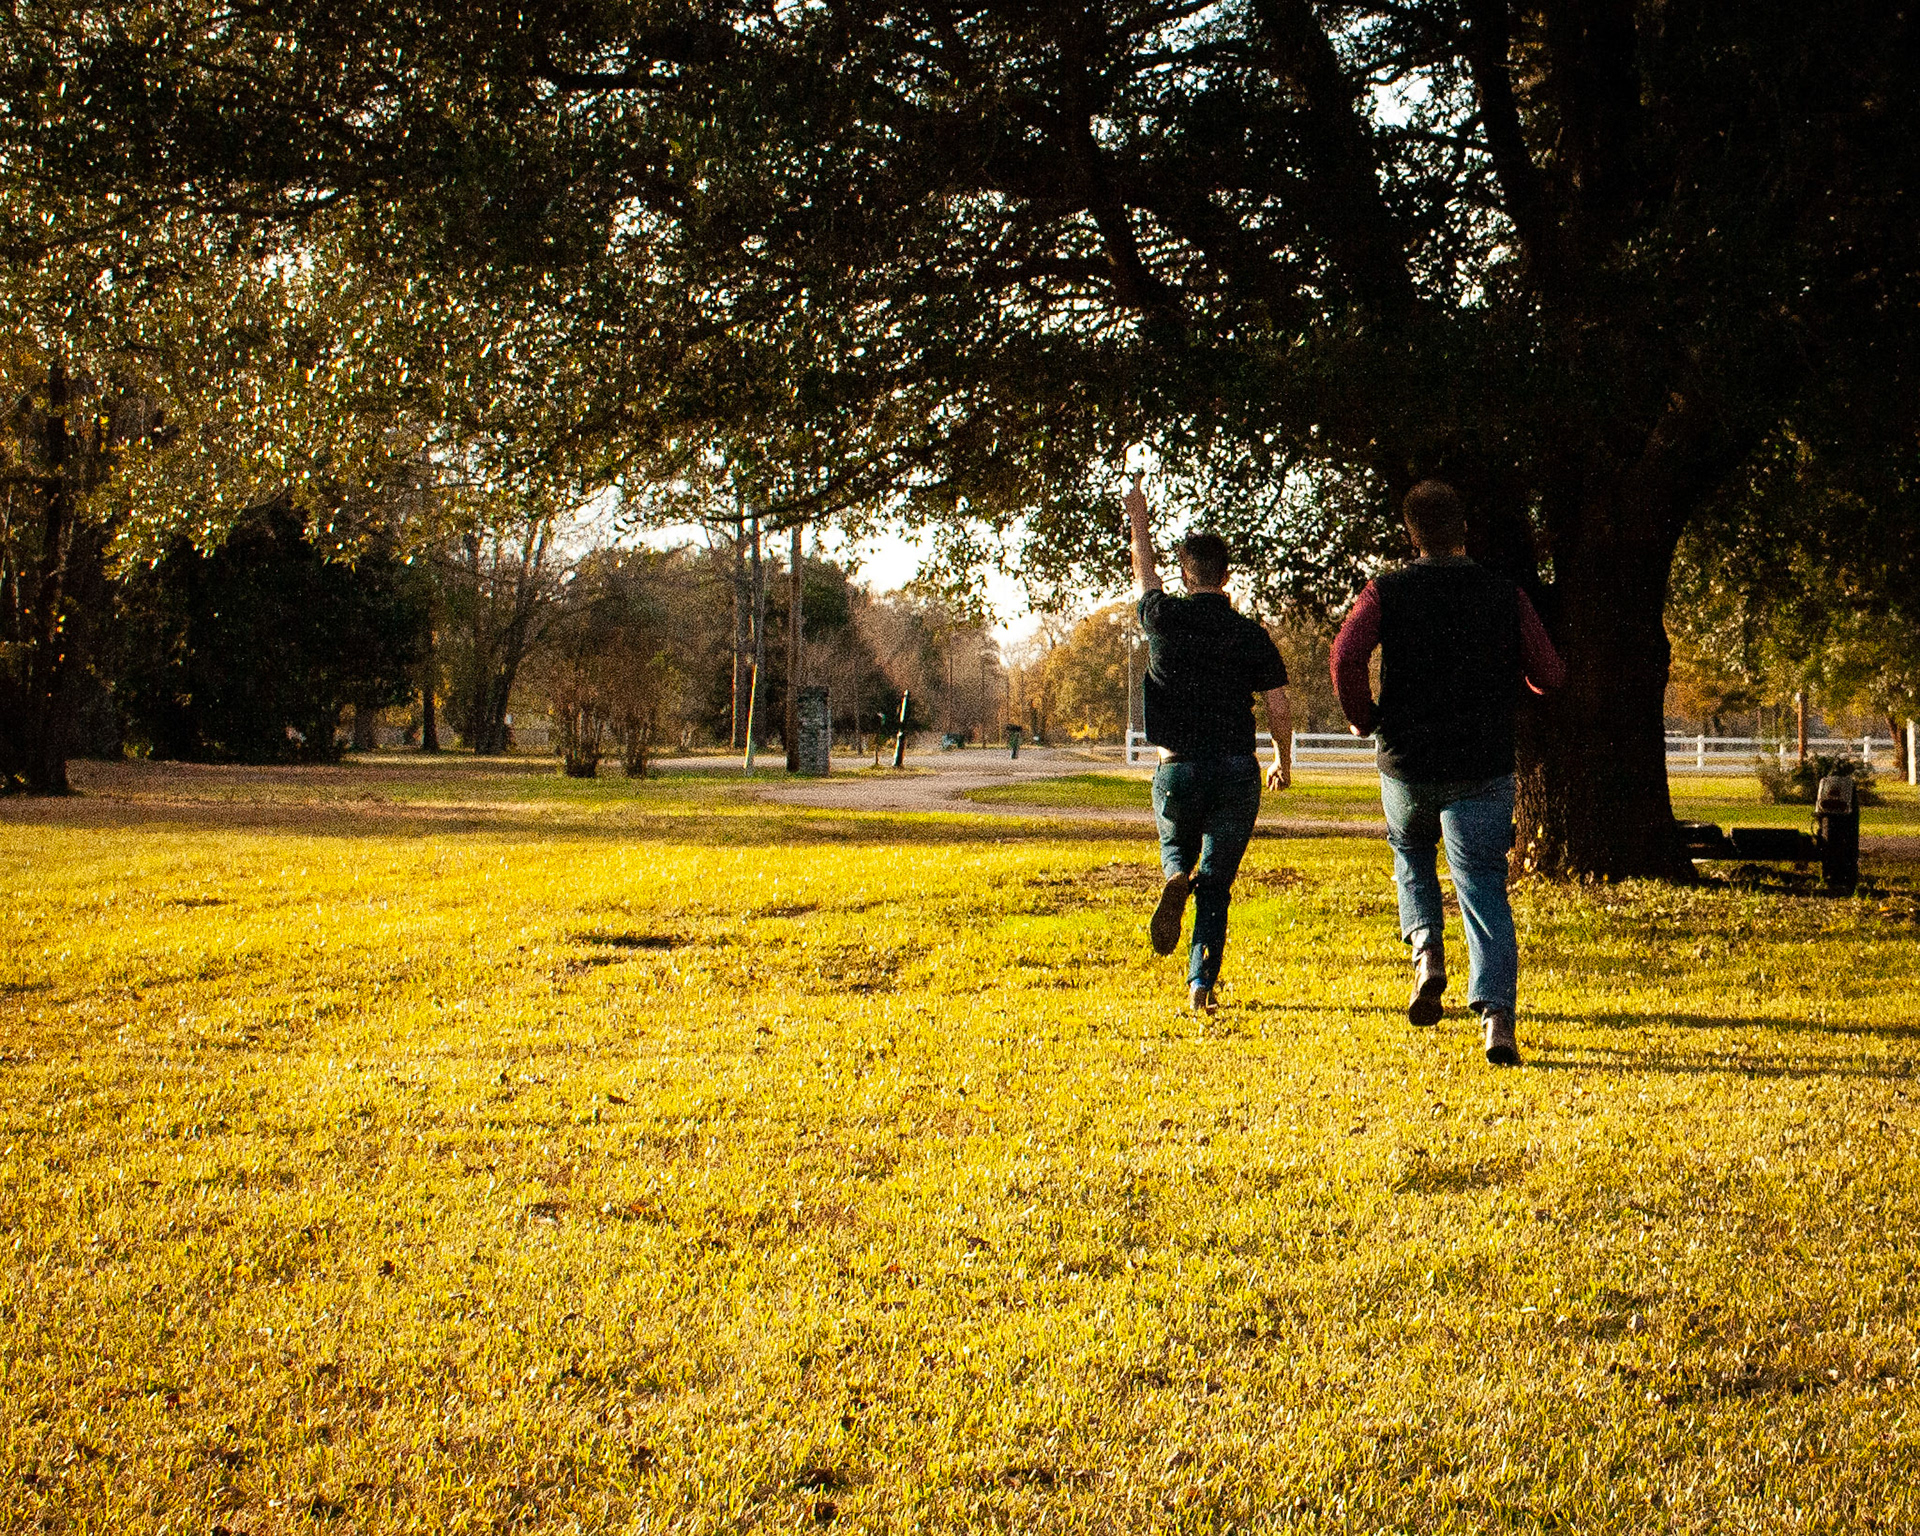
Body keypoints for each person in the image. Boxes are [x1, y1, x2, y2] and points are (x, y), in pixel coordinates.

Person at [1331, 480, 1566, 1065]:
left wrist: (1364, 716)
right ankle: (1497, 1020)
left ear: (1410, 534)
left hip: (1408, 762)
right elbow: (1549, 673)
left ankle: (1427, 954)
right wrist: (1522, 684)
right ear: (1463, 529)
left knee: (1410, 851)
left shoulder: (1385, 591)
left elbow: (1345, 655)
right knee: (1482, 885)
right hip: (1482, 764)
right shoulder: (1504, 593)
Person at [1126, 471, 1292, 1012]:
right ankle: (1201, 985)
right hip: (1235, 771)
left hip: (1177, 766)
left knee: (1177, 844)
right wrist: (1282, 760)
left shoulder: (1162, 617)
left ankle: (1176, 874)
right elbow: (1278, 706)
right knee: (1217, 882)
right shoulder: (1249, 633)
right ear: (1227, 576)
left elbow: (1143, 571)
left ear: (1184, 573)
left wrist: (1138, 515)